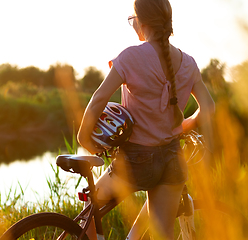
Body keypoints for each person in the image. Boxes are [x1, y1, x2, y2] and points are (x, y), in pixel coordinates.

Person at [77, 0, 215, 239]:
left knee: (91, 200)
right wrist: (182, 126)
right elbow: (209, 108)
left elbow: (99, 98)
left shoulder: (131, 57)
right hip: (172, 158)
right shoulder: (189, 63)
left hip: (134, 161)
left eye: (133, 20)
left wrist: (83, 138)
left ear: (141, 21)